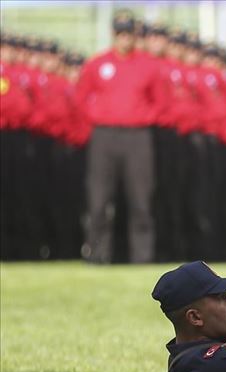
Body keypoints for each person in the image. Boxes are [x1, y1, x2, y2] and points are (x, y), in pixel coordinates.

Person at [75, 11, 162, 264]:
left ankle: (141, 257)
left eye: (129, 33)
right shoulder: (97, 64)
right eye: (120, 33)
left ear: (134, 36)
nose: (125, 39)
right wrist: (99, 115)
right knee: (99, 198)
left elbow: (160, 101)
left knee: (140, 199)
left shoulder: (148, 65)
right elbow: (81, 97)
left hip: (137, 137)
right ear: (114, 34)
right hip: (105, 135)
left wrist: (141, 115)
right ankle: (97, 254)